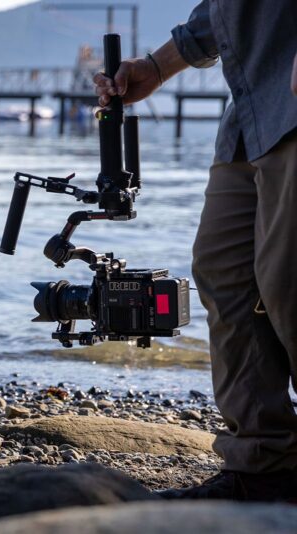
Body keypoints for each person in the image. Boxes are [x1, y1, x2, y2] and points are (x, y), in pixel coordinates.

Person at [94, 1, 297, 500]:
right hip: (251, 115)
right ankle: (262, 464)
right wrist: (156, 66)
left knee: (289, 282)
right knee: (223, 271)